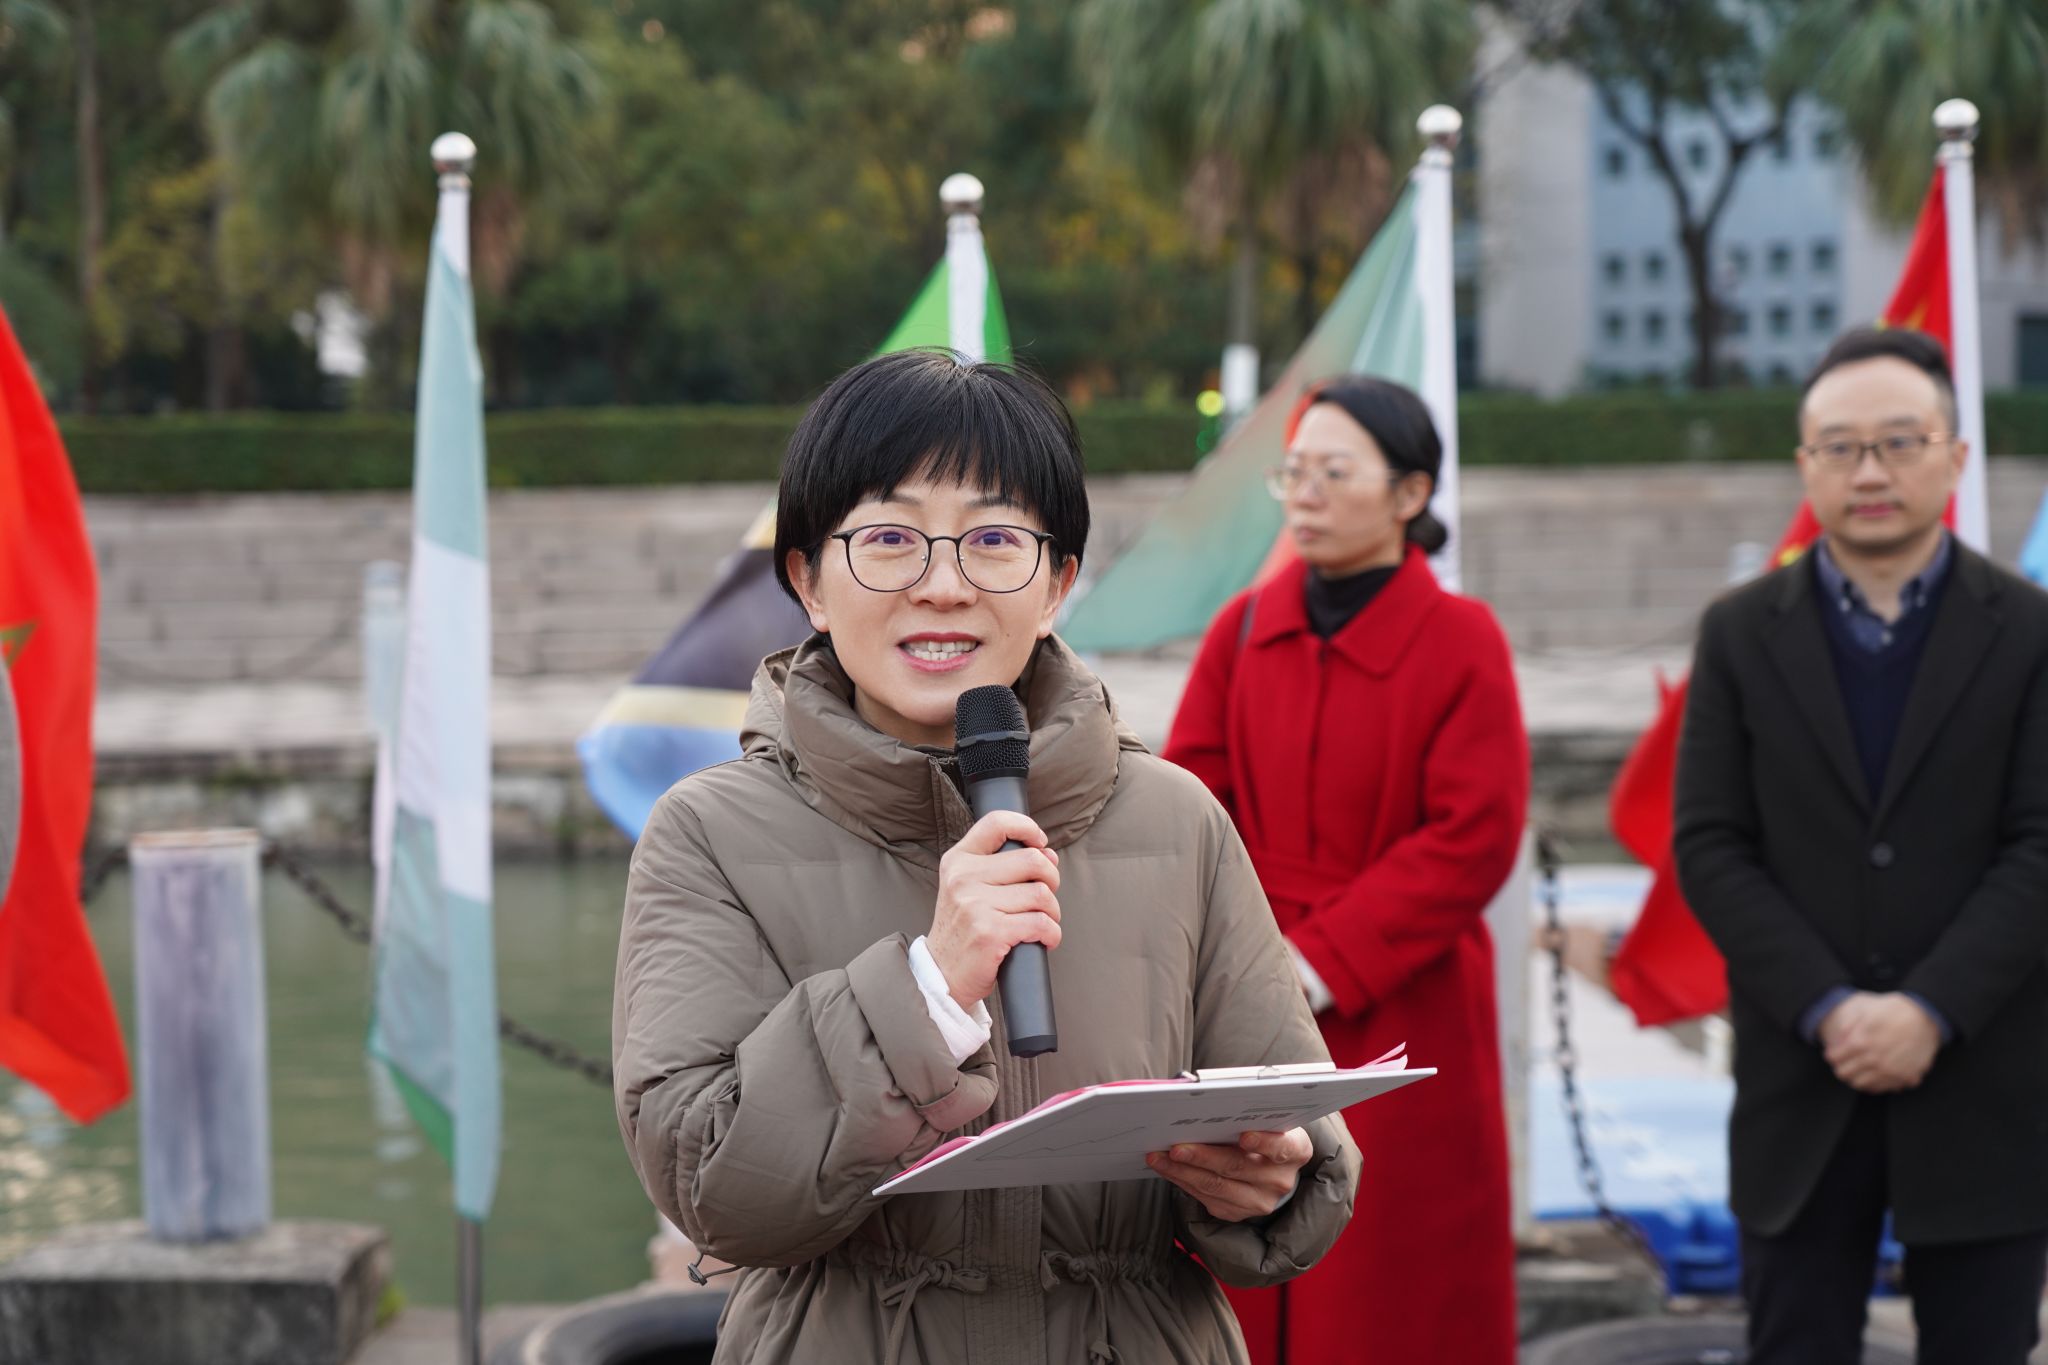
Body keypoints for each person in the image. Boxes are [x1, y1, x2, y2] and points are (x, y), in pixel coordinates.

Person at [612, 349, 1361, 1365]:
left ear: (1056, 585)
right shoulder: (709, 833)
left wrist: (1271, 1176)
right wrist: (926, 989)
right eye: (889, 538)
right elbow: (710, 1188)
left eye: (994, 540)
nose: (943, 586)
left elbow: (1296, 1128)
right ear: (808, 582)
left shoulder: (1176, 817)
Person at [1675, 326, 2048, 1365]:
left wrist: (1930, 1009)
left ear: (1954, 456)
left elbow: (2039, 845)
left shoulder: (2029, 632)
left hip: (1985, 1082)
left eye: (1898, 441)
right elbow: (1710, 844)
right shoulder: (1740, 632)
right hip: (1800, 1083)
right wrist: (1829, 1007)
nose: (1869, 471)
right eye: (1840, 447)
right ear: (1806, 466)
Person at [1164, 375, 1528, 1363]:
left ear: (1411, 493)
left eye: (1334, 471)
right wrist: (1246, 960)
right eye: (1293, 473)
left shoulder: (1463, 641)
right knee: (1241, 1254)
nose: (1307, 494)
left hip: (1406, 1009)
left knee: (1396, 1288)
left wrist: (1320, 961)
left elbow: (1473, 836)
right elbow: (1189, 811)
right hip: (1248, 994)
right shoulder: (1242, 629)